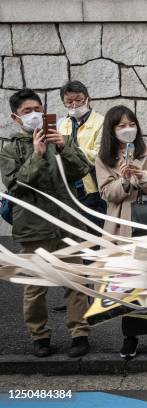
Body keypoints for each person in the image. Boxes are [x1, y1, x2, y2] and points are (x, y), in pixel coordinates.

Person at [0, 89, 91, 358]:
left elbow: (82, 170)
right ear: (16, 118)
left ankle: (80, 333)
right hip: (33, 228)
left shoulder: (59, 139)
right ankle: (39, 336)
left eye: (37, 109)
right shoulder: (9, 149)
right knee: (35, 288)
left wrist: (64, 146)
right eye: (27, 111)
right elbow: (16, 186)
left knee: (75, 281)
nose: (34, 115)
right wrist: (37, 155)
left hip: (67, 223)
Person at [95, 105, 147, 359]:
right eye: (121, 126)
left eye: (131, 124)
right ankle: (131, 336)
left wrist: (144, 178)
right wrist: (125, 181)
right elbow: (106, 193)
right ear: (111, 130)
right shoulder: (104, 157)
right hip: (120, 227)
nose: (128, 130)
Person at [58, 81, 107, 226]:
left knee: (94, 231)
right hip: (69, 189)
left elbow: (99, 155)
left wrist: (68, 149)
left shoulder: (101, 122)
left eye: (78, 100)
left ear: (87, 98)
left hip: (91, 188)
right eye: (69, 101)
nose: (74, 105)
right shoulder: (63, 124)